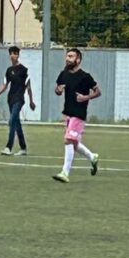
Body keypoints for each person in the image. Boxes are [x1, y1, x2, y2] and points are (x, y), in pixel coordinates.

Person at [52, 47, 101, 183]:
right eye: (67, 56)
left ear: (78, 60)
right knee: (73, 143)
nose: (67, 59)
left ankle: (65, 173)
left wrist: (85, 97)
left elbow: (98, 92)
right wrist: (58, 90)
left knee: (68, 140)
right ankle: (92, 157)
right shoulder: (63, 74)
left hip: (79, 114)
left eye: (71, 56)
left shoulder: (85, 77)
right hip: (68, 112)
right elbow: (57, 90)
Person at [0, 45, 36, 155]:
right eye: (11, 53)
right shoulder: (9, 70)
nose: (13, 56)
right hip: (10, 99)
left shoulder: (24, 70)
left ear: (18, 55)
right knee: (16, 123)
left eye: (15, 54)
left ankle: (8, 147)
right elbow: (5, 85)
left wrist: (31, 101)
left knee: (12, 121)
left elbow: (28, 87)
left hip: (19, 99)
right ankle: (23, 148)